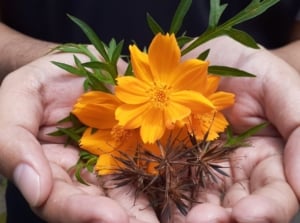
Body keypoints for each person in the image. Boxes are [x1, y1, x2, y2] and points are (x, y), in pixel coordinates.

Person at [0, 0, 299, 222]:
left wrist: (277, 71)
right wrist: (29, 61)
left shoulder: (173, 115)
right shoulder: (135, 119)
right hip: (48, 161)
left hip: (246, 148)